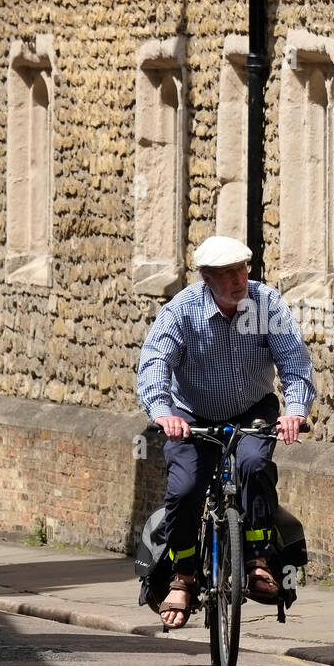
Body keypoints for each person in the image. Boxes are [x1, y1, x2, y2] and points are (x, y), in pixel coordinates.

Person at [137, 235, 316, 628]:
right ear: (206, 278)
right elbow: (154, 363)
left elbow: (294, 361)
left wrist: (295, 411)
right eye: (227, 274)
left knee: (254, 464)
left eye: (242, 270)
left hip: (253, 410)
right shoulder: (181, 311)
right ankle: (183, 575)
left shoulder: (265, 303)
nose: (239, 280)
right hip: (191, 416)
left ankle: (258, 560)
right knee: (185, 488)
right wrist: (163, 411)